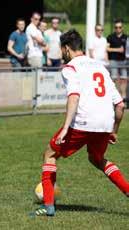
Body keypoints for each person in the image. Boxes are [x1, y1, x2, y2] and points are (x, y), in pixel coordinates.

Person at [34, 29, 128, 216]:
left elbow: (74, 97)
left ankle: (48, 206)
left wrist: (65, 128)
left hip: (83, 122)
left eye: (62, 50)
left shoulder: (70, 68)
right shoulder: (101, 67)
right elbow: (120, 105)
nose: (62, 54)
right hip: (104, 122)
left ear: (67, 49)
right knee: (97, 159)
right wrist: (114, 130)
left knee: (50, 154)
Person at [107, 19, 127, 100]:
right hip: (113, 60)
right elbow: (107, 49)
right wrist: (118, 50)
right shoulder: (110, 37)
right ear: (114, 28)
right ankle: (115, 98)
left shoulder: (126, 37)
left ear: (122, 28)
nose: (118, 29)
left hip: (123, 61)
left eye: (120, 27)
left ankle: (124, 97)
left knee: (124, 79)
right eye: (116, 27)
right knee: (114, 79)